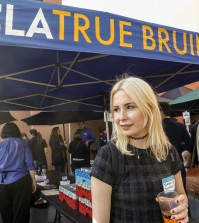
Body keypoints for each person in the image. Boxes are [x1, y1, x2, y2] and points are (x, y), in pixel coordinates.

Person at [91, 76, 189, 223]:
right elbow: (99, 220)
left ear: (149, 108)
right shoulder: (108, 156)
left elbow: (181, 195)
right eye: (116, 109)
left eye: (130, 107)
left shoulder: (168, 151)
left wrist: (182, 207)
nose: (120, 117)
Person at [0, 122, 36, 223]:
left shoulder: (0, 145)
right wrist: (34, 182)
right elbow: (30, 165)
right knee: (21, 213)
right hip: (20, 181)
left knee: (6, 213)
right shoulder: (23, 143)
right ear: (16, 131)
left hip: (2, 183)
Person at [159, 102, 193, 188]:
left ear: (161, 112)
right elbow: (189, 144)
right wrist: (179, 148)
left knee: (168, 194)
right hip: (178, 162)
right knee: (182, 191)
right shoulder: (180, 125)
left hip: (162, 165)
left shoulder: (157, 127)